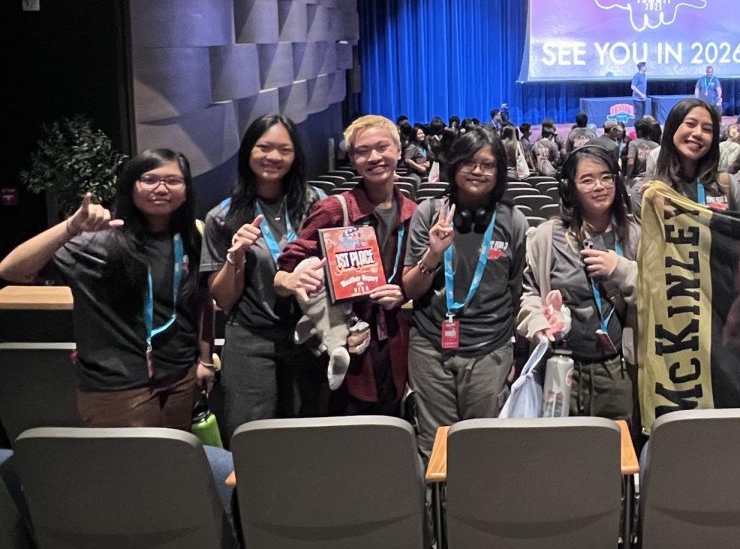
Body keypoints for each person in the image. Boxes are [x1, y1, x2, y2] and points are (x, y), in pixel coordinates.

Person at [0, 150, 211, 428]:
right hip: (118, 387)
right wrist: (71, 227)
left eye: (173, 180)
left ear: (186, 191)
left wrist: (204, 360)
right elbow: (11, 269)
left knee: (172, 464)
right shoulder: (99, 240)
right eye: (149, 179)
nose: (161, 188)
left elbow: (199, 302)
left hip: (179, 378)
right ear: (130, 185)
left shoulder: (190, 238)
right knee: (126, 469)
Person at [275, 115, 416, 416]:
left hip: (393, 343)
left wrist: (402, 294)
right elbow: (289, 263)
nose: (374, 157)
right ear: (352, 159)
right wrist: (294, 278)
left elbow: (418, 278)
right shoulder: (333, 210)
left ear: (399, 150)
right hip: (345, 341)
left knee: (390, 430)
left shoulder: (413, 214)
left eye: (382, 147)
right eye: (363, 151)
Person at [401, 128, 528, 458]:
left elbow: (516, 294)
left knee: (483, 449)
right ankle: (438, 510)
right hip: (431, 349)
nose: (478, 171)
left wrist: (512, 354)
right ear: (454, 165)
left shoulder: (513, 222)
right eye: (470, 162)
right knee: (436, 448)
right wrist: (432, 254)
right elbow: (410, 289)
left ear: (499, 172)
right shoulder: (428, 213)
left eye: (488, 164)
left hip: (490, 351)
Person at [201, 115, 326, 435]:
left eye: (284, 149)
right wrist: (236, 257)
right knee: (253, 437)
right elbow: (224, 298)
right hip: (250, 339)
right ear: (247, 152)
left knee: (305, 433)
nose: (274, 157)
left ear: (296, 155)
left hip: (308, 335)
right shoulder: (222, 216)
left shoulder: (317, 205)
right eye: (264, 147)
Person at [518, 145, 639, 421]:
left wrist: (621, 270)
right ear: (569, 189)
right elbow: (530, 295)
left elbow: (657, 297)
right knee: (563, 452)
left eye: (606, 177)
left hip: (618, 367)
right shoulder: (546, 238)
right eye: (587, 180)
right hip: (561, 365)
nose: (600, 186)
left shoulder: (634, 236)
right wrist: (537, 325)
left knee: (615, 454)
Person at [651, 98, 727, 208]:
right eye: (690, 124)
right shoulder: (649, 189)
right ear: (673, 128)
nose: (698, 133)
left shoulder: (726, 185)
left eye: (707, 129)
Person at [624, 116, 659, 181]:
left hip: (636, 178)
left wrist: (627, 176)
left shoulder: (633, 143)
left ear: (639, 131)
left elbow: (630, 163)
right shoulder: (656, 145)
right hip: (652, 179)